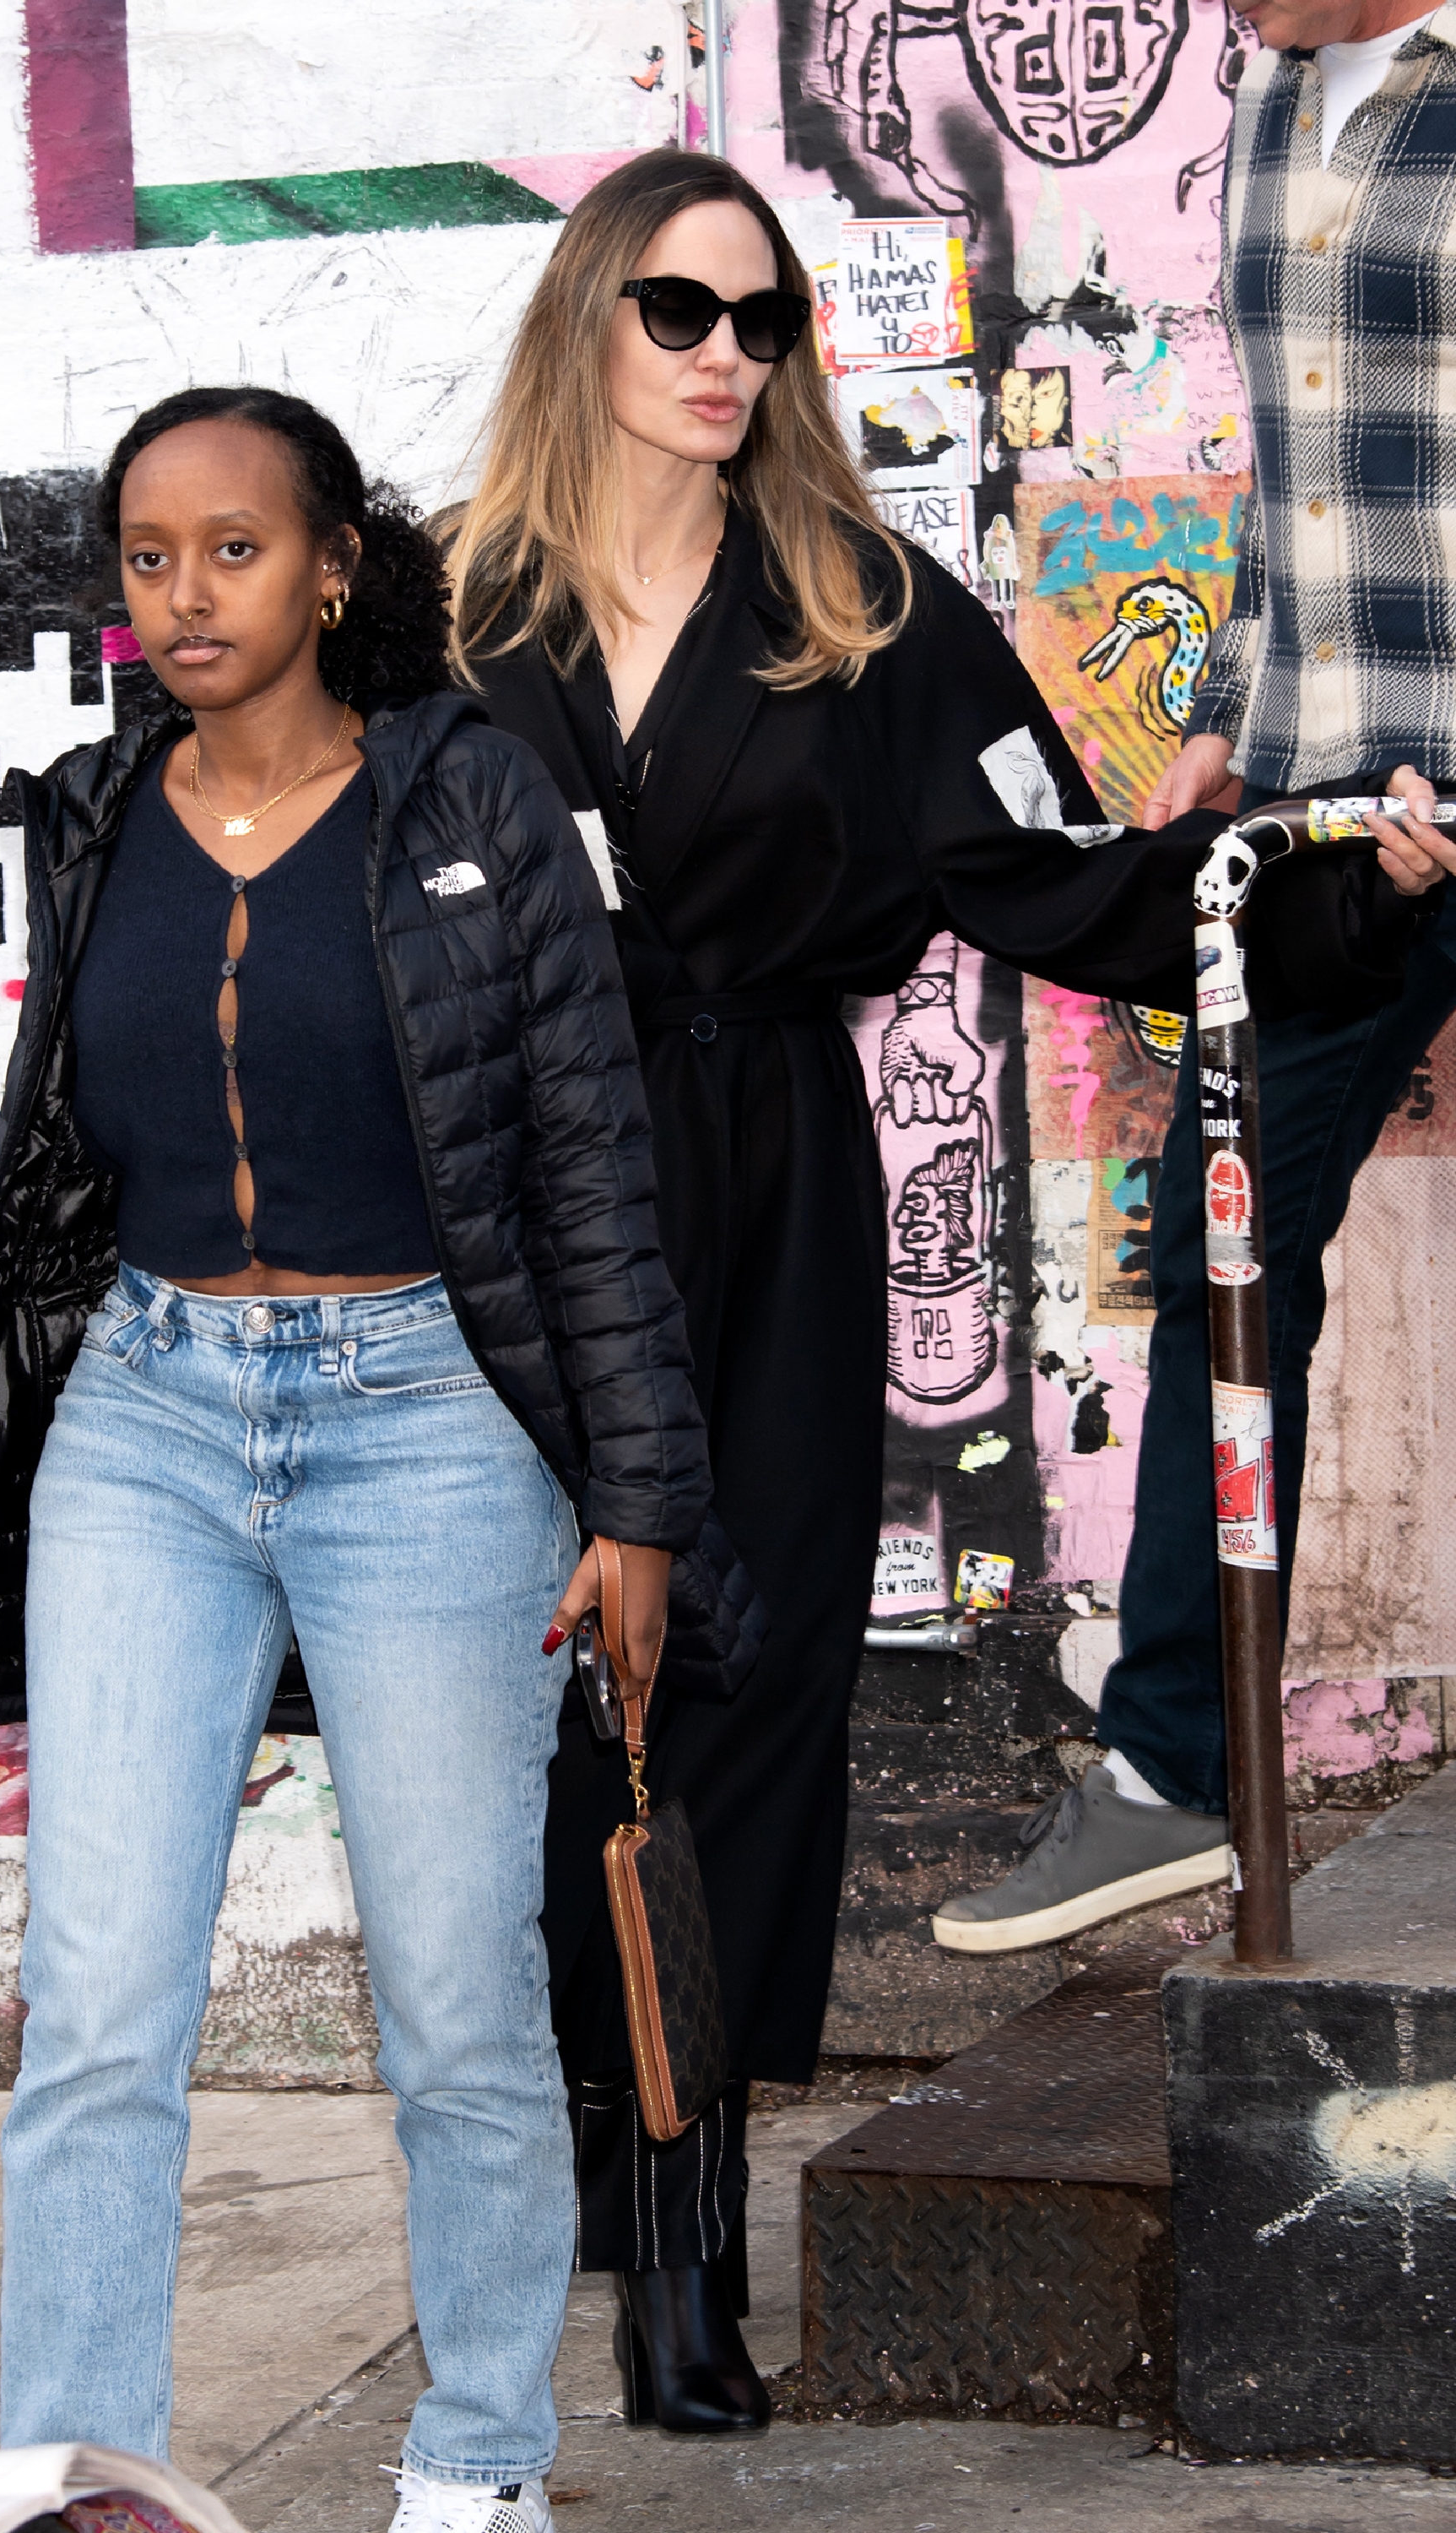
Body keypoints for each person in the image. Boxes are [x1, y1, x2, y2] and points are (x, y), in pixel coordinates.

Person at [441, 148, 1421, 2430]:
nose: (723, 359)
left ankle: (686, 2237)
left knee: (750, 1674)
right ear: (589, 316)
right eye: (680, 312)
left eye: (763, 323)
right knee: (509, 1695)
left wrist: (1327, 896)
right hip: (505, 1192)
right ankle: (579, 2146)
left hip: (773, 1169)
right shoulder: (458, 616)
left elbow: (1066, 886)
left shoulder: (861, 608)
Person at [0, 386, 711, 2533]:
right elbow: (56, 1152)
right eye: (146, 554)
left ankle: (478, 2458)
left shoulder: (464, 797)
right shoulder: (93, 805)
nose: (184, 592)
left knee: (452, 1998)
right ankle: (77, 2477)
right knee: (100, 2006)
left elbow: (590, 1174)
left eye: (231, 548)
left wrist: (638, 1507)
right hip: (149, 1417)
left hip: (427, 1428)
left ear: (330, 568)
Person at [933, 0, 1456, 1954]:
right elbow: (1299, 463)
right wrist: (1245, 712)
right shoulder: (1268, 94)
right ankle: (1173, 1771)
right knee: (1223, 1236)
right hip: (1339, 805)